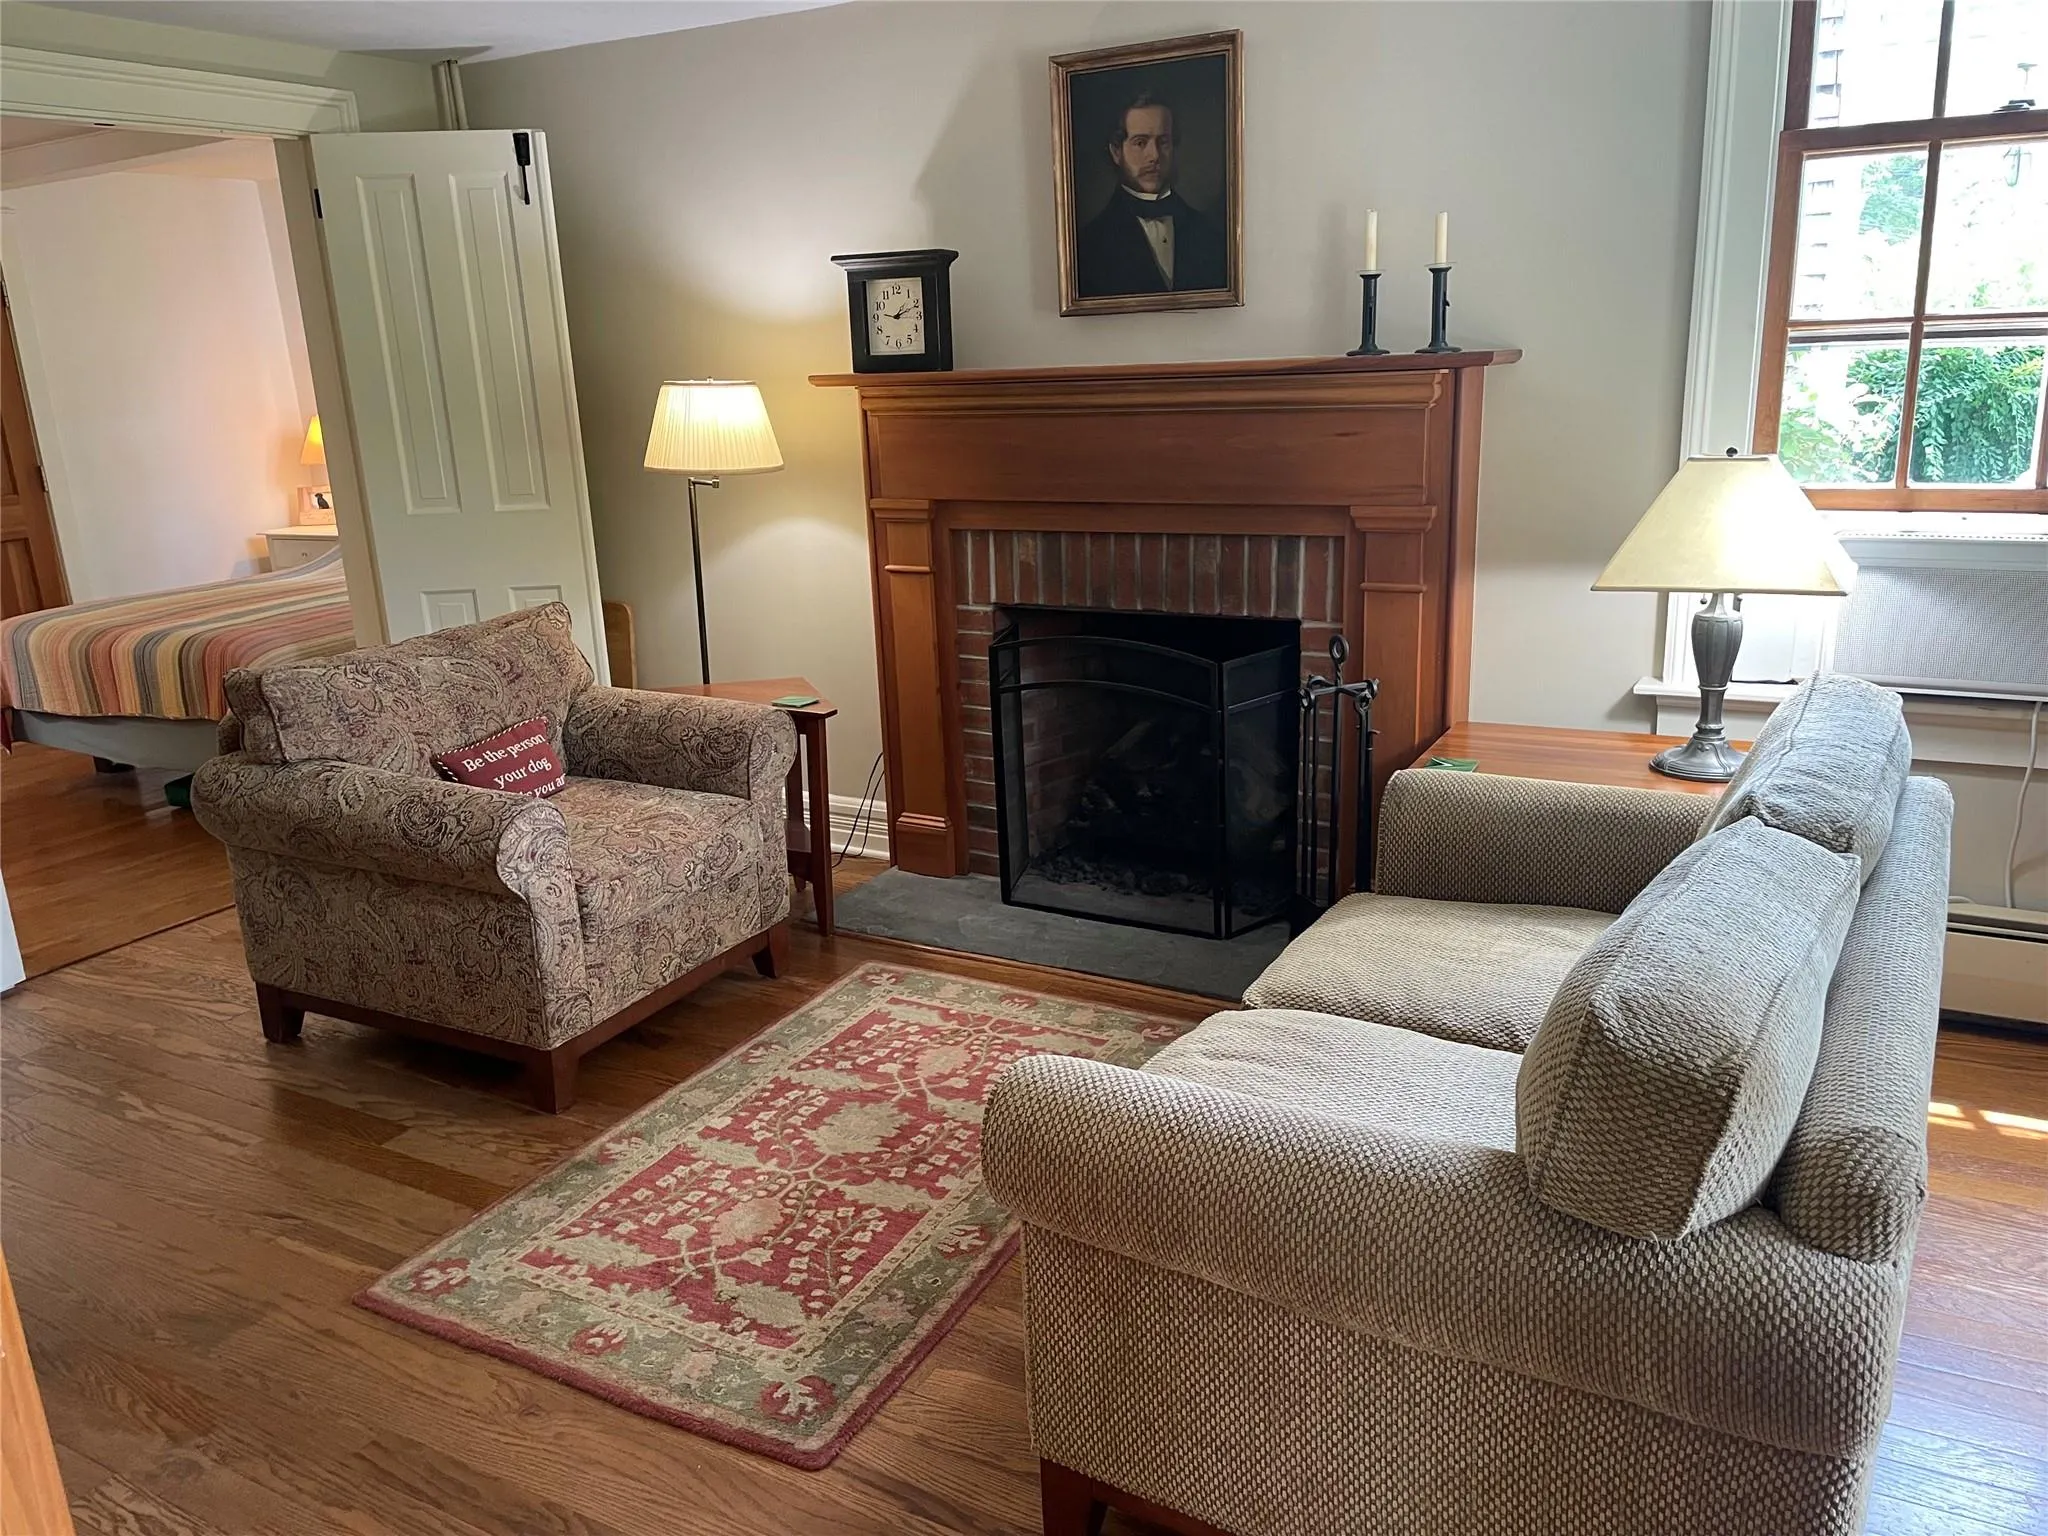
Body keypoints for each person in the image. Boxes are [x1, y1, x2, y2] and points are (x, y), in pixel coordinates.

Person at [1074, 90, 1227, 299]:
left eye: (1163, 142)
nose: (1154, 156)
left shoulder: (1211, 235)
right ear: (1116, 152)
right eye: (1140, 142)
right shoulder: (1088, 245)